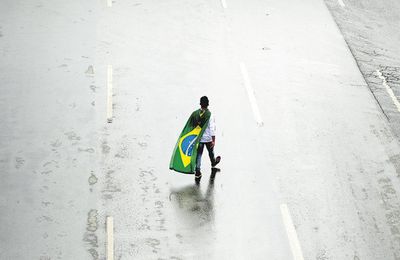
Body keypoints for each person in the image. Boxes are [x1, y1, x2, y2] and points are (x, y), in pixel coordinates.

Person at [195, 96, 221, 182]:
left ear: (200, 104)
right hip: (208, 139)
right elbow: (212, 128)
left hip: (200, 139)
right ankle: (213, 163)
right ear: (207, 104)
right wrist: (213, 140)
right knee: (211, 153)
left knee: (199, 155)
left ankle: (197, 171)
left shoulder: (197, 114)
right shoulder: (210, 115)